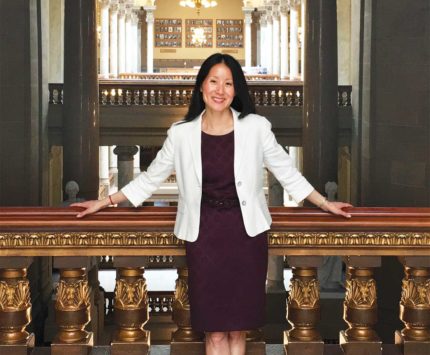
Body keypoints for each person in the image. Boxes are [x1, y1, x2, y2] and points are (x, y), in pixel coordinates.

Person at [72, 53, 352, 355]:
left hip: (246, 235)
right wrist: (104, 202)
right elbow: (150, 178)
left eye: (228, 83)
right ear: (201, 86)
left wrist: (325, 203)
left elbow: (287, 171)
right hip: (204, 236)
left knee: (237, 331)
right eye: (214, 81)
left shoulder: (256, 127)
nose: (221, 90)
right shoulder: (181, 134)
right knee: (215, 332)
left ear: (236, 89)